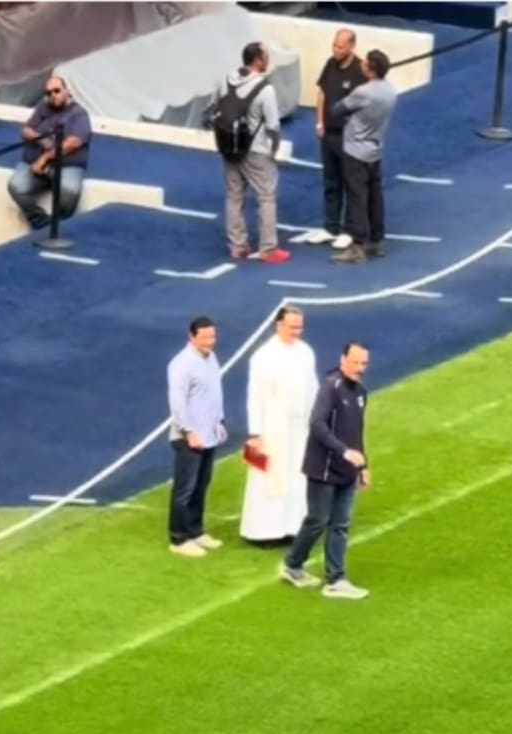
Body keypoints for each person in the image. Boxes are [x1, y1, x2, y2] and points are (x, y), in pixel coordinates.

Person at [280, 342, 371, 599]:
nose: (360, 368)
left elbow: (357, 432)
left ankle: (336, 579)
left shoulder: (361, 392)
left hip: (347, 470)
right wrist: (343, 451)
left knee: (340, 524)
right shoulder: (331, 387)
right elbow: (317, 424)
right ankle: (293, 564)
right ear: (343, 360)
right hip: (324, 467)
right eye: (356, 362)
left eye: (364, 363)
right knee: (318, 520)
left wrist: (363, 465)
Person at [239, 305, 319, 546]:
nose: (297, 332)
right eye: (292, 327)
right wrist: (255, 432)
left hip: (300, 426)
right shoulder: (264, 356)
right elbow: (254, 397)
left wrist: (317, 421)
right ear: (279, 325)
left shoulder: (306, 352)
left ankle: (293, 527)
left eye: (300, 327)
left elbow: (312, 389)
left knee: (297, 477)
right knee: (269, 478)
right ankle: (263, 531)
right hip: (272, 427)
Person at [210, 41, 290, 264]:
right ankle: (268, 248)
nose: (268, 60)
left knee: (234, 196)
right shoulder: (265, 89)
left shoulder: (226, 79)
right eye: (266, 56)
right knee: (266, 196)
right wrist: (274, 148)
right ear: (257, 60)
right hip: (255, 149)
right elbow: (273, 125)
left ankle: (237, 246)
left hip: (229, 145)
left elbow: (216, 106)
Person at [166, 316, 227, 558]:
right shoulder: (181, 364)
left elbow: (214, 393)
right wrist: (189, 431)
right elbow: (177, 401)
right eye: (205, 337)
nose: (210, 341)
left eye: (212, 336)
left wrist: (219, 421)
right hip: (189, 437)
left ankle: (195, 530)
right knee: (185, 489)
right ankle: (178, 538)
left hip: (208, 433)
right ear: (191, 336)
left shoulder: (211, 358)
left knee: (201, 486)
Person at [329, 49, 397, 265]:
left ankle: (357, 245)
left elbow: (337, 109)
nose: (362, 64)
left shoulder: (363, 93)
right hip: (375, 149)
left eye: (365, 63)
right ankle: (376, 240)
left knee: (357, 198)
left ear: (371, 69)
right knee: (375, 197)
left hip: (355, 151)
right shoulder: (390, 91)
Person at [302, 29, 366, 250]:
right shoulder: (330, 64)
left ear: (351, 46)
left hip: (349, 137)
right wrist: (319, 122)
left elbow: (364, 105)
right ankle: (331, 227)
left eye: (340, 47)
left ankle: (349, 230)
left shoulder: (360, 71)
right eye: (334, 45)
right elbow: (322, 93)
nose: (336, 50)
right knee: (331, 182)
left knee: (350, 183)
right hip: (329, 134)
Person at [8, 75, 92, 230]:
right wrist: (40, 138)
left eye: (57, 91)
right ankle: (42, 224)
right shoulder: (43, 108)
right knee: (16, 186)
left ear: (67, 91)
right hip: (34, 164)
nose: (53, 95)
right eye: (48, 93)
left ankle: (60, 227)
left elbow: (74, 142)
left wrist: (45, 158)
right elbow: (26, 129)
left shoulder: (79, 114)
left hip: (66, 165)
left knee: (70, 191)